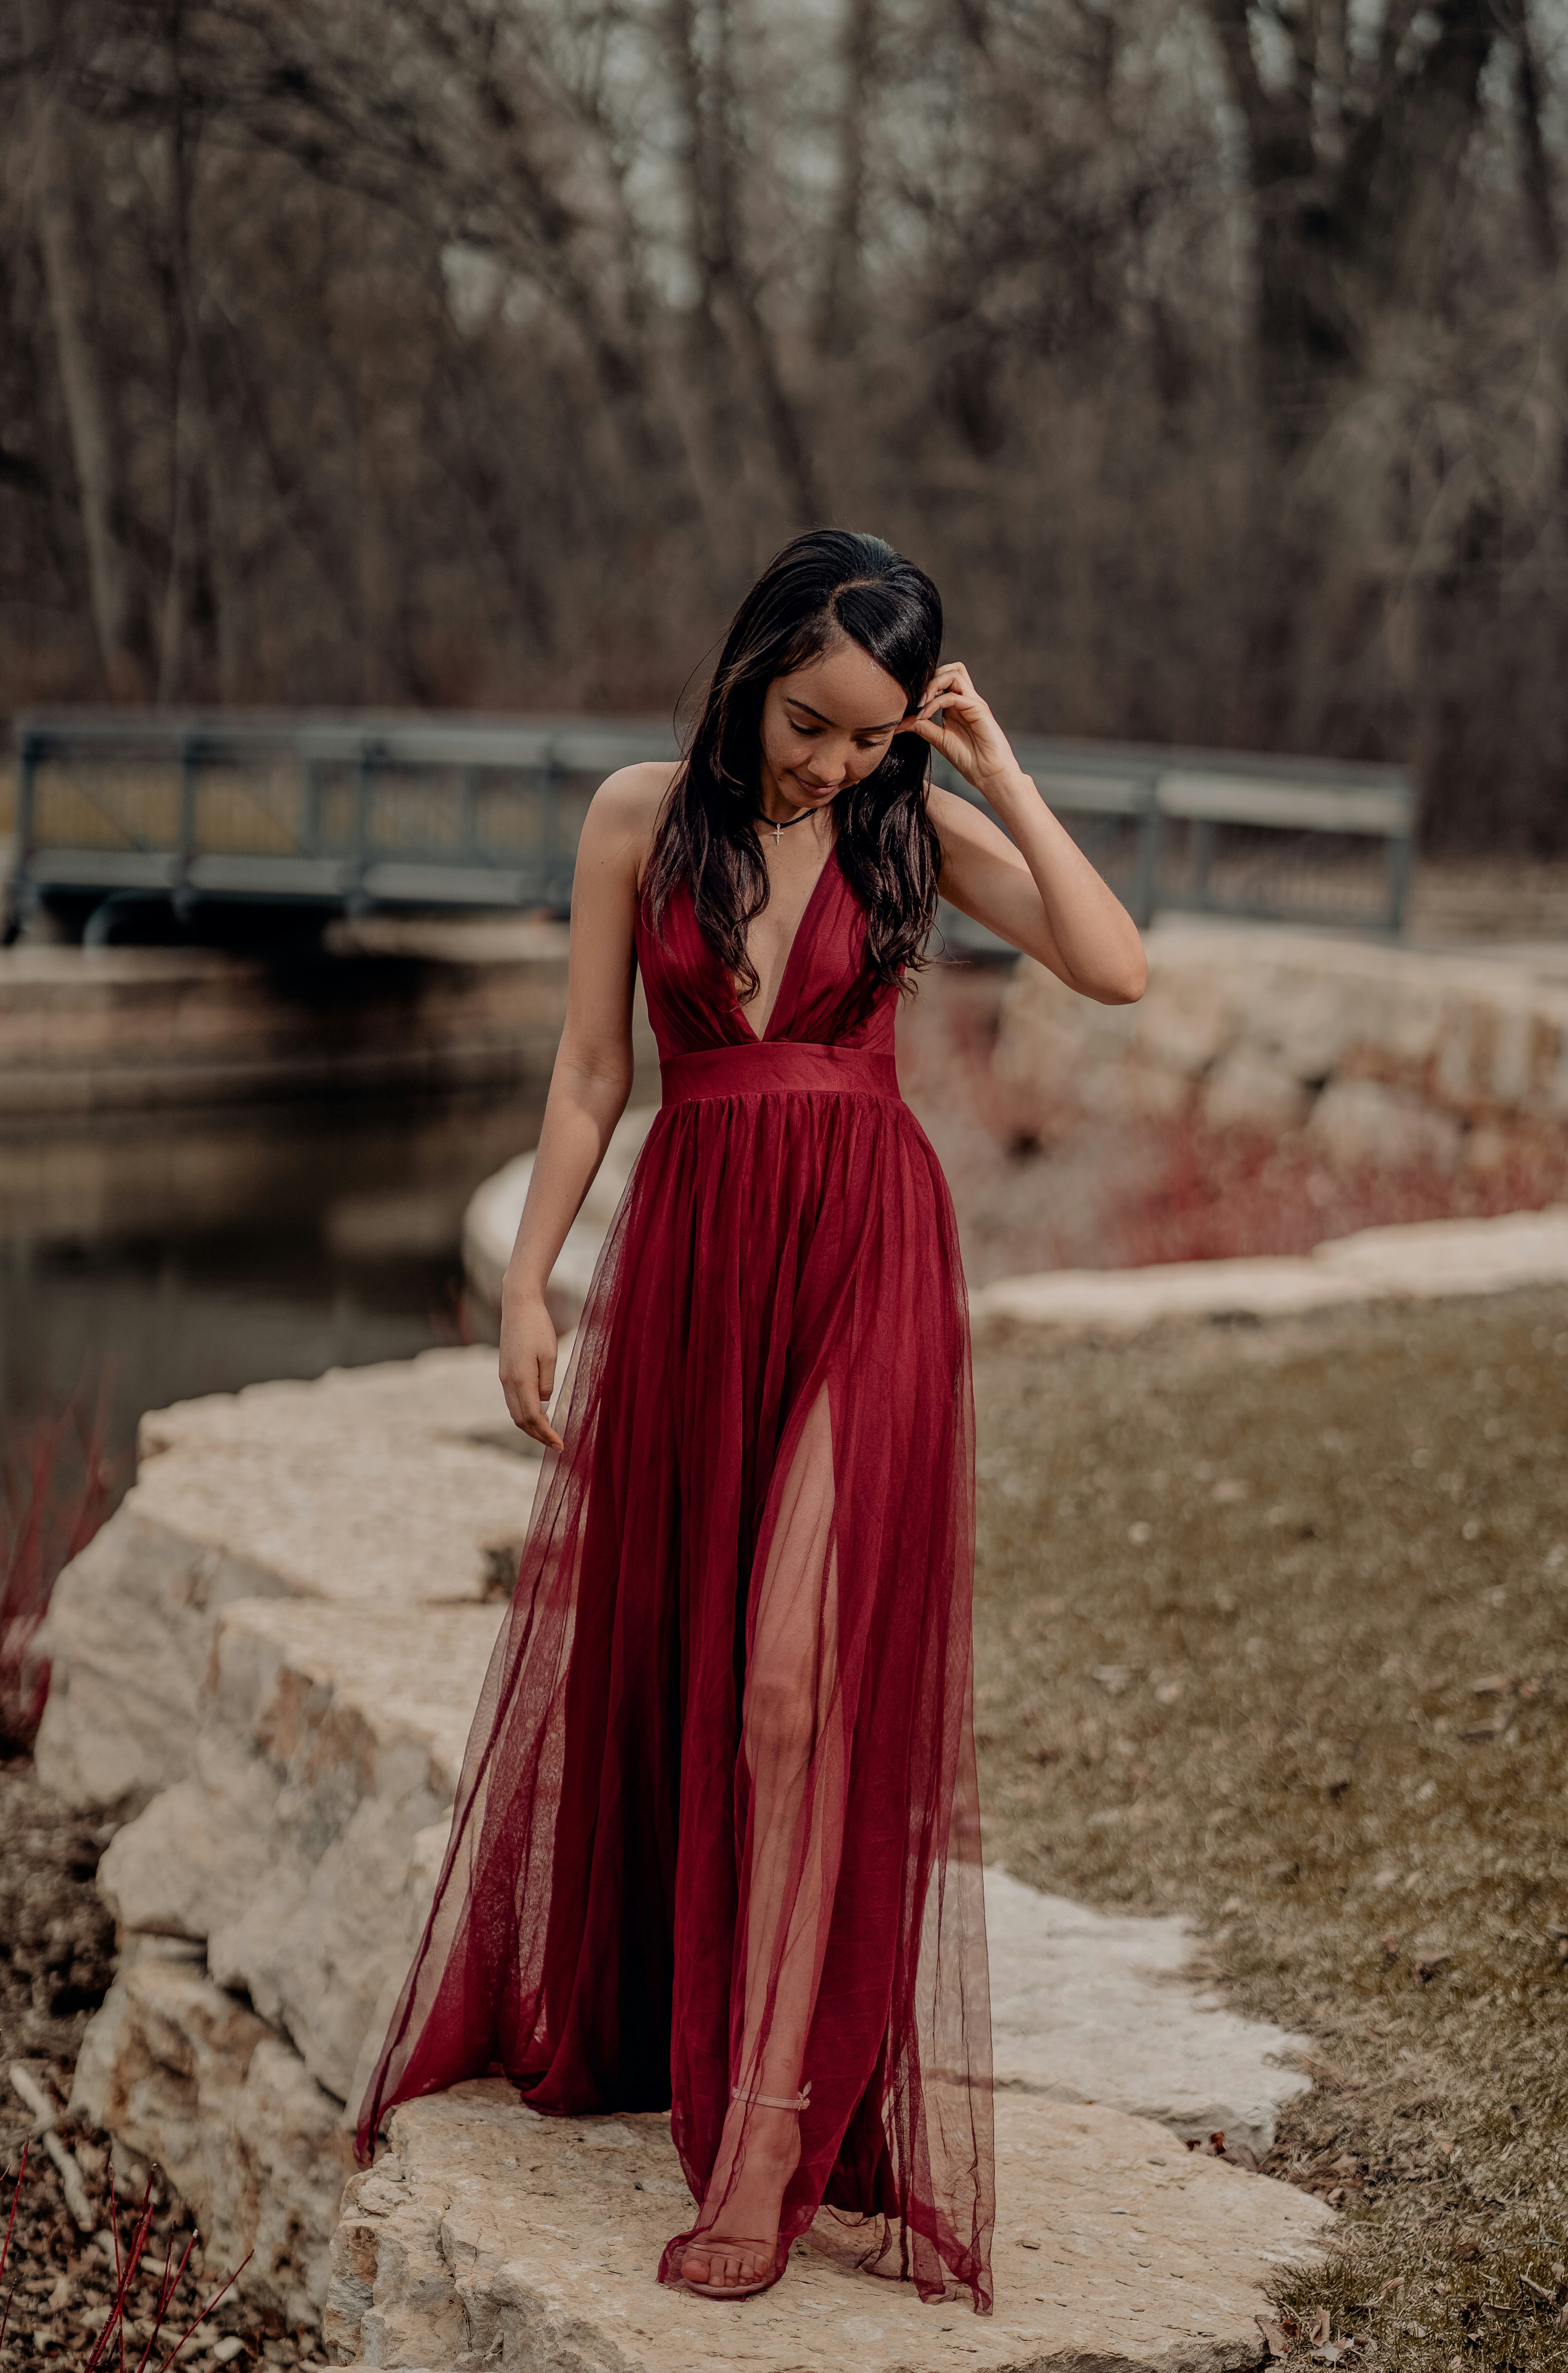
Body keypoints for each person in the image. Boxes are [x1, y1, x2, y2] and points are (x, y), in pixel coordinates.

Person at [354, 528, 1146, 2312]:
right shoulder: (640, 818)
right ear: (750, 665)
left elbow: (1113, 967)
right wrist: (526, 1280)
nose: (832, 765)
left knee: (792, 1688)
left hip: (867, 1254)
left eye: (869, 736)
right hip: (701, 1266)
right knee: (692, 1675)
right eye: (810, 722)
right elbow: (585, 1075)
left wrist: (993, 771)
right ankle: (692, 2029)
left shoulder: (911, 827)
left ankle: (780, 2125)